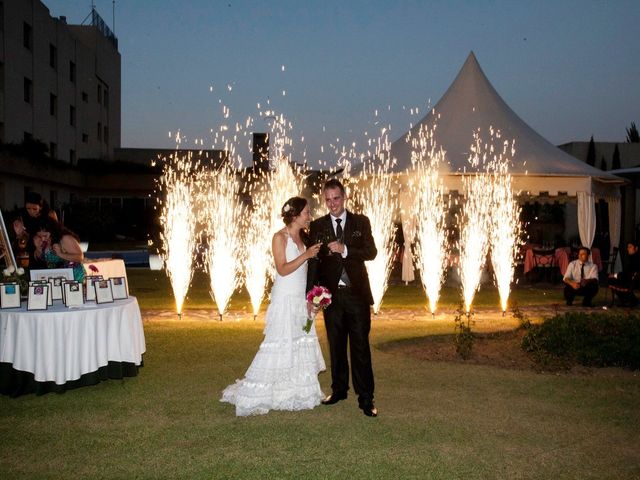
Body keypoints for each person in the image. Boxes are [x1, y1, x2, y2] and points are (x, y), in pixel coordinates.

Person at [221, 197, 324, 416]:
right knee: (279, 341)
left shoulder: (304, 237)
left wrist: (312, 298)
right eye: (306, 212)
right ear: (294, 215)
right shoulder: (279, 237)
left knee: (301, 339)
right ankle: (261, 390)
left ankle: (295, 390)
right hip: (284, 297)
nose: (309, 216)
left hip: (300, 298)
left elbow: (307, 271)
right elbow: (282, 269)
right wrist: (306, 255)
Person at [307, 179, 378, 417]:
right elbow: (314, 262)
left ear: (344, 196)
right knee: (336, 346)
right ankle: (338, 390)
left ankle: (366, 398)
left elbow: (371, 252)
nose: (332, 204)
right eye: (327, 199)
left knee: (360, 347)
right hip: (332, 298)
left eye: (336, 198)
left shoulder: (361, 222)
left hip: (357, 296)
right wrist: (311, 294)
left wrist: (345, 249)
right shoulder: (317, 226)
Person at [11, 192, 58, 267]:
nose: (31, 211)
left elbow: (57, 232)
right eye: (28, 208)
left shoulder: (49, 214)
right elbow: (26, 237)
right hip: (32, 250)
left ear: (41, 207)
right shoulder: (24, 216)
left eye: (34, 209)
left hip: (48, 249)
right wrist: (20, 234)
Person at [32, 218, 85, 282]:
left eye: (45, 235)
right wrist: (38, 249)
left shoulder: (65, 238)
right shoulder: (46, 241)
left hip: (74, 277)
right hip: (57, 279)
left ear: (52, 231)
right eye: (40, 236)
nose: (43, 239)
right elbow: (41, 259)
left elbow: (80, 257)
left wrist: (61, 254)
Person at [608, 241, 640, 307]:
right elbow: (627, 272)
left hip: (634, 280)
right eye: (628, 247)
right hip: (630, 278)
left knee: (612, 280)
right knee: (612, 279)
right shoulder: (633, 258)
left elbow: (629, 273)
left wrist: (615, 275)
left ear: (636, 248)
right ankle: (628, 300)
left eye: (630, 247)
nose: (628, 249)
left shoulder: (636, 259)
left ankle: (629, 300)